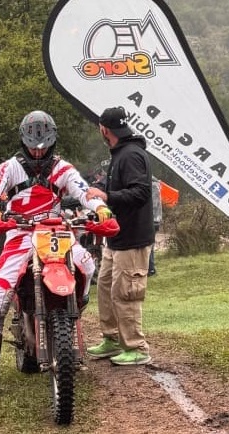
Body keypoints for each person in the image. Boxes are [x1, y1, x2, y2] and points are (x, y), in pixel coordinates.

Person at [0, 110, 110, 398]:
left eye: (43, 147)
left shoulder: (63, 168)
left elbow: (84, 191)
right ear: (23, 142)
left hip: (55, 231)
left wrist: (100, 209)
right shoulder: (10, 167)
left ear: (52, 142)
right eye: (33, 147)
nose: (38, 152)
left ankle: (73, 310)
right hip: (19, 234)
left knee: (86, 265)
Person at [85, 106, 155, 366]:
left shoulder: (132, 155)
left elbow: (141, 193)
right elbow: (115, 187)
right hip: (115, 238)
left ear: (104, 129)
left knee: (127, 292)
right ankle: (112, 338)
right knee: (106, 288)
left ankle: (136, 347)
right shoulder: (119, 153)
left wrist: (107, 196)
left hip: (133, 239)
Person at [148, 176, 163, 276]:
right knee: (149, 244)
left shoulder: (153, 187)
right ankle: (150, 268)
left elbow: (153, 205)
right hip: (153, 219)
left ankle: (151, 269)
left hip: (152, 220)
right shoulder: (154, 186)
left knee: (148, 245)